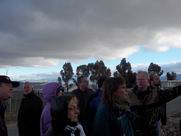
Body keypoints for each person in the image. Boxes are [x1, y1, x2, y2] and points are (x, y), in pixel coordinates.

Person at [129, 71, 181, 136]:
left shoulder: (156, 94)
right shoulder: (129, 95)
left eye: (142, 79)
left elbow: (173, 92)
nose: (139, 81)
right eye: (138, 79)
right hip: (135, 131)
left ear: (147, 80)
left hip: (152, 131)